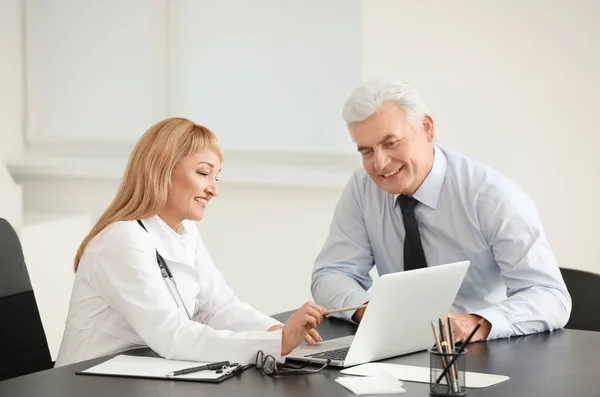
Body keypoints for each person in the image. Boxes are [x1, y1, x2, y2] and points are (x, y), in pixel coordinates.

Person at [311, 78, 571, 343]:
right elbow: (332, 274)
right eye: (366, 151)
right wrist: (371, 312)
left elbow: (549, 295)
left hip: (486, 349)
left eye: (391, 143)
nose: (380, 163)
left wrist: (477, 323)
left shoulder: (490, 196)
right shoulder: (363, 188)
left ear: (426, 128)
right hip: (399, 346)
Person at [55, 117, 325, 367]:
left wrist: (277, 331)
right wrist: (275, 344)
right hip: (92, 383)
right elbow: (172, 335)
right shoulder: (122, 240)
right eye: (203, 173)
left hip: (143, 371)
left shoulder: (185, 231)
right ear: (161, 170)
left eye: (216, 176)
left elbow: (216, 305)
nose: (213, 189)